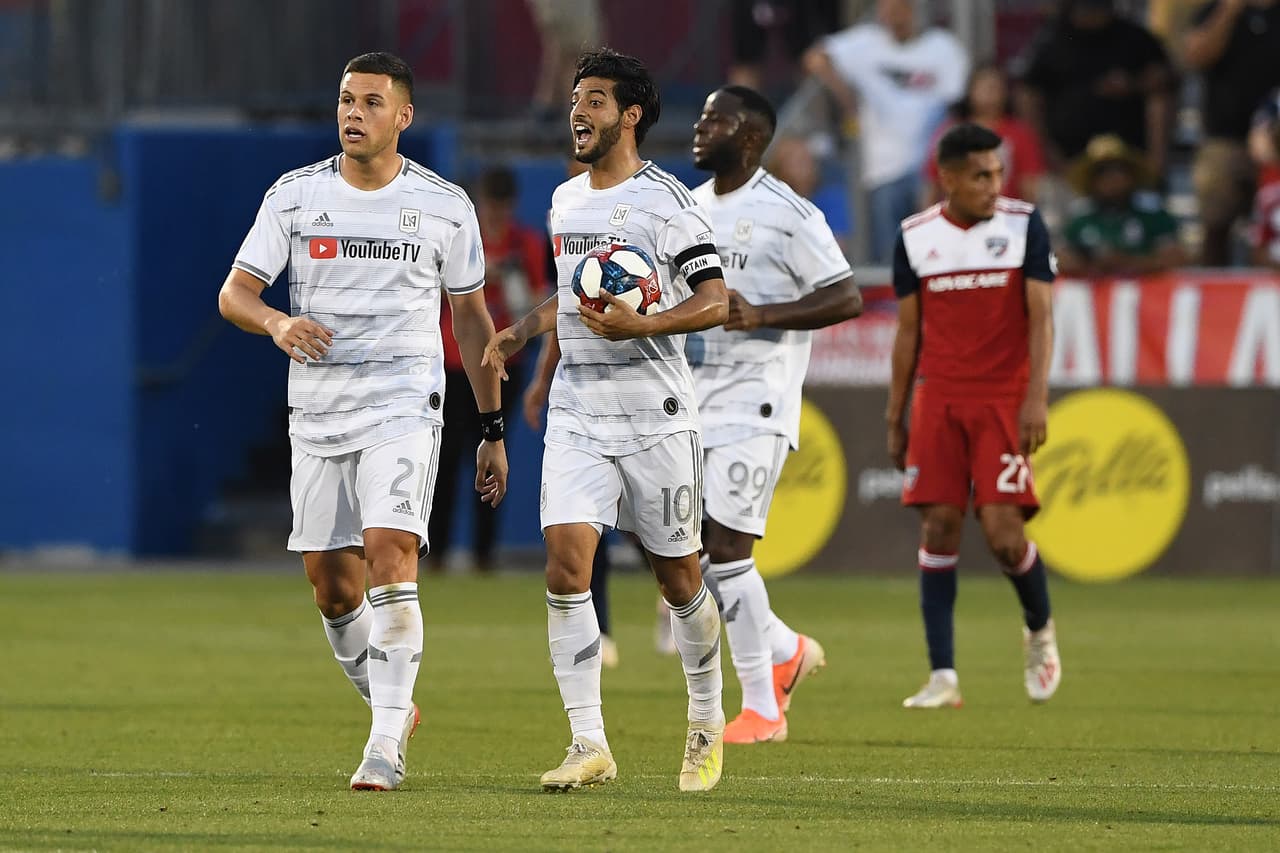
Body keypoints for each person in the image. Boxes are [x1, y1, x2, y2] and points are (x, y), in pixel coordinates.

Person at [216, 52, 509, 791]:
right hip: (317, 411)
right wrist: (277, 323)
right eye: (347, 99)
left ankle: (383, 748)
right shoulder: (295, 196)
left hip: (405, 404)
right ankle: (393, 703)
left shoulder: (445, 206)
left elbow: (471, 320)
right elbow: (236, 293)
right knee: (333, 589)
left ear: (403, 117)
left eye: (372, 102)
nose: (354, 113)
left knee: (390, 557)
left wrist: (492, 426)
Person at [482, 48, 730, 792]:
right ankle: (588, 740)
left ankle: (706, 717)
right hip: (580, 411)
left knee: (679, 579)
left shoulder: (670, 203)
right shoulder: (564, 201)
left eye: (592, 101)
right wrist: (526, 339)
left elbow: (716, 301)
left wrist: (643, 327)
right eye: (573, 100)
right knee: (565, 564)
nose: (576, 114)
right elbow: (572, 296)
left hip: (655, 417)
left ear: (629, 115)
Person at [688, 85, 863, 743]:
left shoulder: (789, 214)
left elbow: (845, 296)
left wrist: (764, 314)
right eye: (702, 118)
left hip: (756, 400)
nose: (702, 129)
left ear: (754, 138)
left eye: (718, 120)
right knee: (695, 554)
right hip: (696, 398)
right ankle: (786, 649)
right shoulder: (690, 209)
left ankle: (763, 706)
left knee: (728, 550)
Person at [886, 123, 1062, 709]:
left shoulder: (1023, 225)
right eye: (982, 175)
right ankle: (943, 676)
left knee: (1005, 535)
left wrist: (1037, 396)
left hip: (1001, 398)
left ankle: (1039, 628)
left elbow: (1041, 318)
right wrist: (896, 414)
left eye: (998, 173)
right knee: (938, 523)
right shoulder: (915, 236)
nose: (995, 185)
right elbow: (908, 331)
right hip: (938, 396)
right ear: (950, 178)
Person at [428, 166, 546, 574]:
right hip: (453, 364)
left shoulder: (525, 243)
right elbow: (432, 287)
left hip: (500, 367)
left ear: (510, 206)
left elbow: (537, 302)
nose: (494, 217)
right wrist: (479, 277)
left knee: (492, 459)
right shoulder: (460, 237)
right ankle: (436, 553)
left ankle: (484, 556)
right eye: (489, 208)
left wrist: (509, 278)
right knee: (444, 461)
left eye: (500, 208)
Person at [802, 0, 969, 263]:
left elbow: (957, 104)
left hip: (933, 169)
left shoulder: (942, 47)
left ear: (915, 10)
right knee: (891, 259)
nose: (894, 16)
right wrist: (848, 100)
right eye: (887, 9)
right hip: (883, 170)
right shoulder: (865, 42)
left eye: (901, 8)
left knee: (936, 253)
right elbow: (815, 59)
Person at [1014, 0, 1174, 179]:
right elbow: (1027, 97)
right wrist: (1049, 155)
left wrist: (1134, 84)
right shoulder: (1051, 40)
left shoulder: (1136, 39)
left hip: (1130, 168)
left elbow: (1163, 85)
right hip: (1067, 165)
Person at [1183, 0, 1280, 265]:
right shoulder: (1213, 10)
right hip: (1226, 137)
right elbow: (1196, 57)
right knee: (1215, 217)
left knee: (1273, 225)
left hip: (1277, 140)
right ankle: (1215, 287)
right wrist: (1228, 11)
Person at [1059, 134, 1186, 277]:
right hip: (1092, 294)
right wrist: (1083, 264)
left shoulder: (1153, 216)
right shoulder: (1080, 220)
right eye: (1102, 172)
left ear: (1132, 176)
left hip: (1146, 296)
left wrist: (1127, 262)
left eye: (1119, 170)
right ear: (1092, 181)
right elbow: (1059, 259)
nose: (1112, 178)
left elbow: (1176, 259)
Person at [924, 64, 1047, 204]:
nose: (990, 93)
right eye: (984, 87)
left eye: (995, 88)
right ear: (970, 90)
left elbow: (1030, 186)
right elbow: (932, 183)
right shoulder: (950, 132)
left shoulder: (1021, 134)